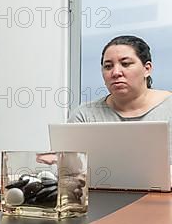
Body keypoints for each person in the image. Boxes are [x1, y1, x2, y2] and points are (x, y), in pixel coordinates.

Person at [69, 35, 172, 164]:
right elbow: (70, 171)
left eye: (125, 64)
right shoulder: (85, 116)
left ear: (147, 69)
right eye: (108, 66)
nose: (116, 72)